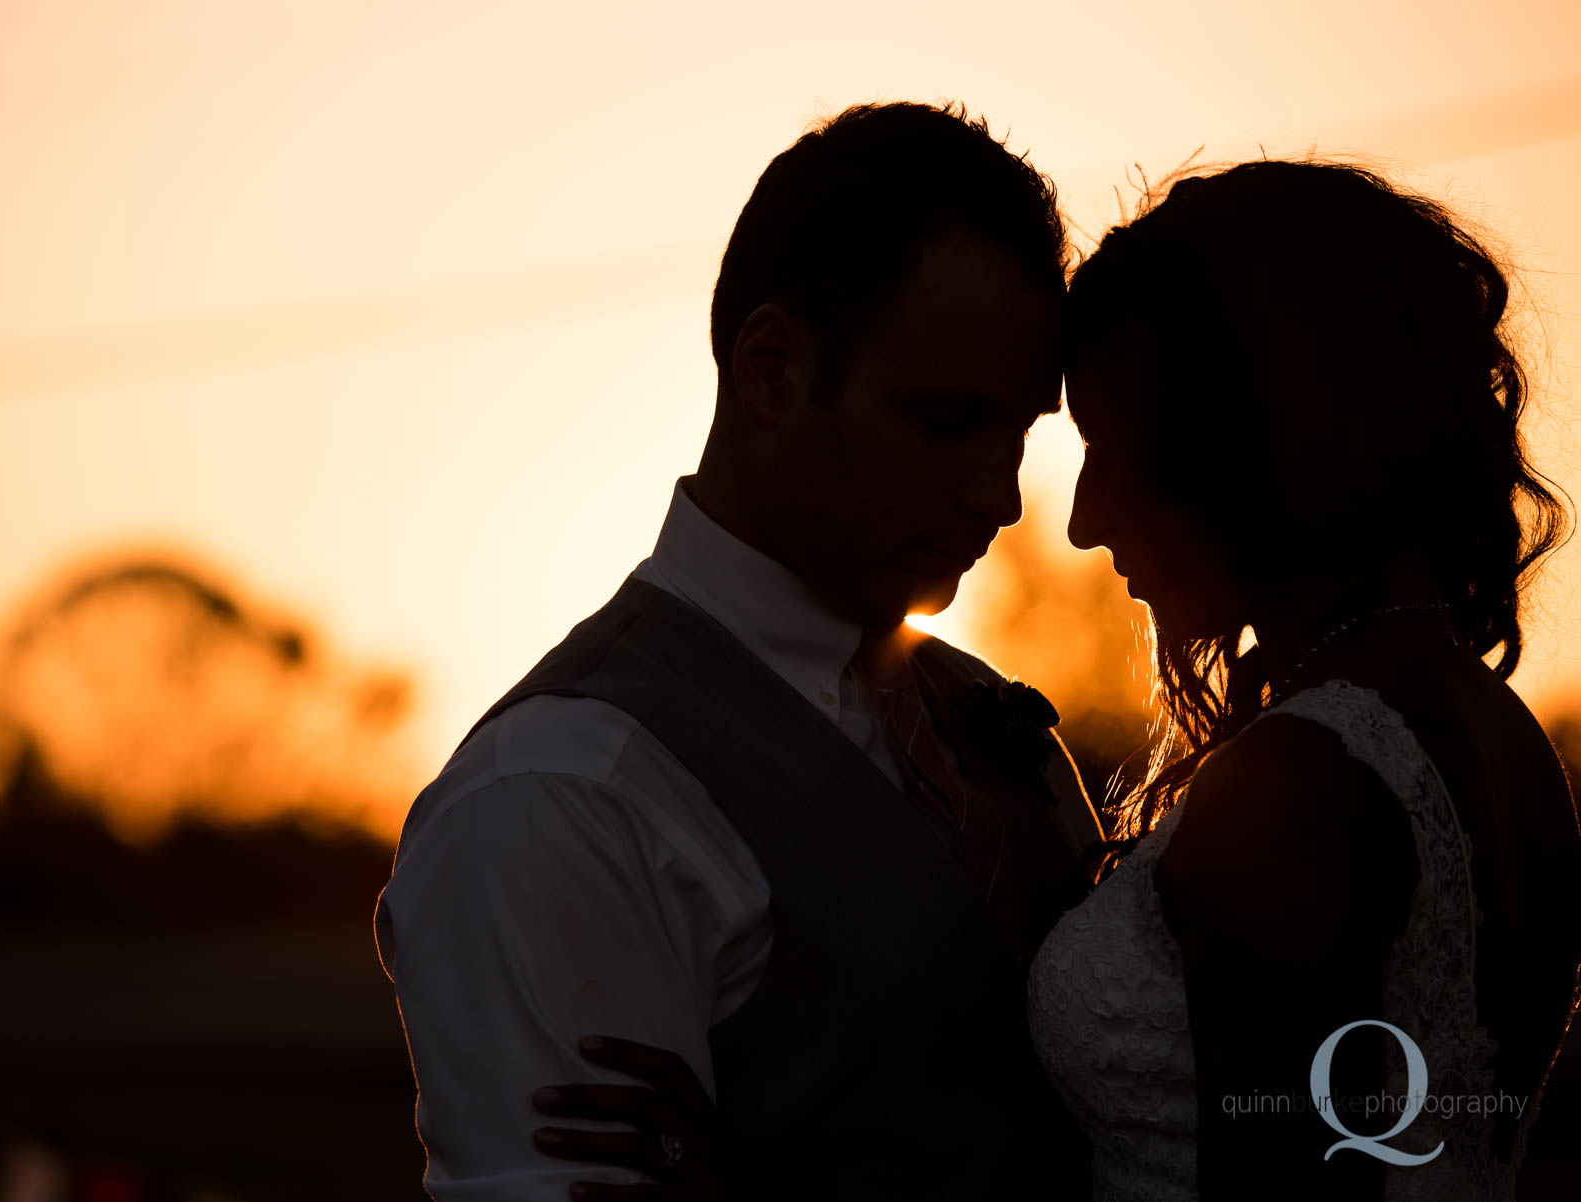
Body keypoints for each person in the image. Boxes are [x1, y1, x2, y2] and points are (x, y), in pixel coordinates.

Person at [535, 160, 1581, 1200]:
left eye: (1113, 446)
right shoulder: (1502, 739)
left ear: (1246, 431)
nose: (1082, 518)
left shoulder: (1295, 785)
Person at [374, 100, 1106, 1201]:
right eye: (946, 422)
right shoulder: (562, 796)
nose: (999, 497)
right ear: (770, 370)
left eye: (1016, 436)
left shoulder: (992, 719)